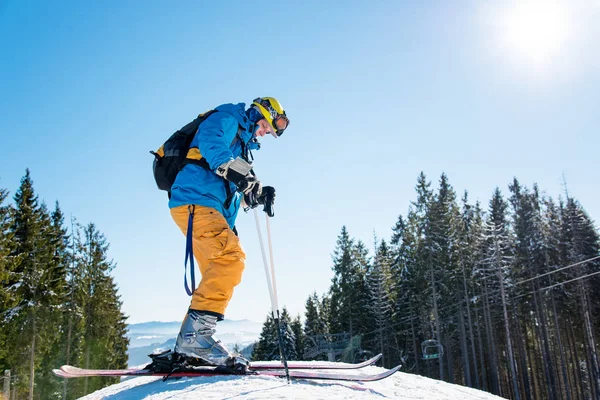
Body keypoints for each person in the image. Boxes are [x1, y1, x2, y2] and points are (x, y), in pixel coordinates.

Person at [167, 97, 289, 370]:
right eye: (267, 127)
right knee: (231, 259)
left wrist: (256, 196)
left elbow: (233, 193)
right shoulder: (227, 118)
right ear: (262, 113)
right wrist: (240, 176)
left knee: (218, 270)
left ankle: (189, 344)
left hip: (200, 206)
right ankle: (195, 338)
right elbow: (211, 145)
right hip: (196, 200)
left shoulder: (243, 150)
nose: (265, 133)